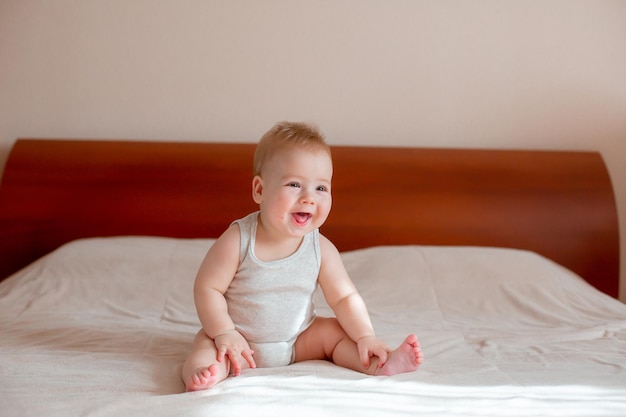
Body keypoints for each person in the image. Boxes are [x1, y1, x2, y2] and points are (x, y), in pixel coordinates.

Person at [182, 121, 423, 391]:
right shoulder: (238, 240)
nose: (309, 198)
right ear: (259, 190)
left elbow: (345, 298)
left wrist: (365, 335)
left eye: (321, 188)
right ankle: (206, 372)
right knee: (207, 345)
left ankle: (380, 363)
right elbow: (208, 288)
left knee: (335, 334)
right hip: (240, 341)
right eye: (295, 184)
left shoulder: (321, 249)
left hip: (298, 340)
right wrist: (224, 332)